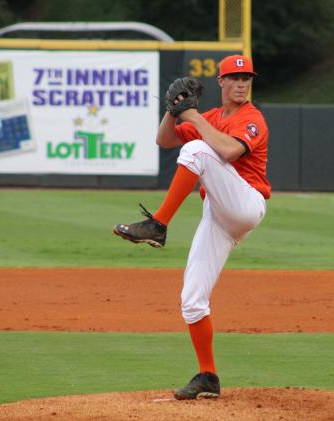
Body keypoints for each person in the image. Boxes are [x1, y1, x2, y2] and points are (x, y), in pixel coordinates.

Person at [113, 54, 271, 400]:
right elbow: (165, 140)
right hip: (218, 213)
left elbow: (228, 151)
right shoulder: (213, 117)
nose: (242, 83)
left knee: (198, 149)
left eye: (247, 78)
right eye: (235, 77)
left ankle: (159, 224)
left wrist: (195, 117)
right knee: (192, 300)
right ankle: (208, 376)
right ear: (221, 82)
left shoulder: (252, 118)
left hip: (246, 204)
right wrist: (173, 111)